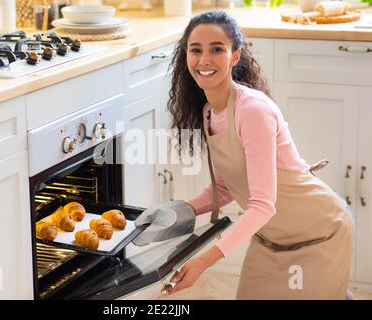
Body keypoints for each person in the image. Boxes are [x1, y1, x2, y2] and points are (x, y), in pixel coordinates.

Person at [133, 10, 354, 300]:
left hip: (318, 235)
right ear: (185, 55)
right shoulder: (209, 112)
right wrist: (181, 209)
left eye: (217, 50)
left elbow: (262, 205)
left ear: (235, 55)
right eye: (195, 50)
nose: (204, 60)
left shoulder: (252, 111)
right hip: (271, 239)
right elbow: (228, 186)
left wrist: (203, 261)